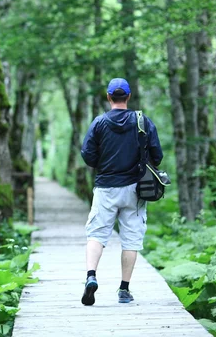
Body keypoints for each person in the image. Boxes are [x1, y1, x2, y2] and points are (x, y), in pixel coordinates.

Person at [79, 78, 163, 306]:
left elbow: (87, 155)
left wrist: (102, 161)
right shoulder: (142, 121)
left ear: (108, 97)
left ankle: (91, 276)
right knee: (131, 240)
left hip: (105, 188)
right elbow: (157, 155)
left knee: (96, 234)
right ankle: (124, 290)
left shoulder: (99, 123)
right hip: (135, 190)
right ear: (128, 97)